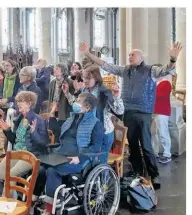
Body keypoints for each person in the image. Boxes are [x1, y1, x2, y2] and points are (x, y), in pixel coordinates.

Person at [78, 41, 183, 189]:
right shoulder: (125, 70)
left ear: (141, 57)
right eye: (129, 54)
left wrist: (172, 59)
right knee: (133, 145)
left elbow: (166, 70)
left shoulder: (150, 70)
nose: (129, 56)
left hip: (143, 112)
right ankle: (138, 172)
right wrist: (88, 53)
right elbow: (105, 65)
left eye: (133, 54)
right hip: (128, 111)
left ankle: (154, 174)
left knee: (146, 145)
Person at [41, 93, 104, 214]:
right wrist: (52, 116)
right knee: (39, 168)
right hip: (62, 153)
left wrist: (79, 157)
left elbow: (96, 148)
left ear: (87, 107)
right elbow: (59, 132)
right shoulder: (72, 118)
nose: (75, 103)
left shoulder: (96, 123)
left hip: (80, 159)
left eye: (79, 101)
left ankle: (50, 209)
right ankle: (34, 200)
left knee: (52, 171)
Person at [64, 66, 124, 163]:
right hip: (89, 130)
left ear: (96, 78)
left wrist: (117, 97)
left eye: (88, 78)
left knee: (100, 162)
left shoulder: (104, 91)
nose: (85, 81)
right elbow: (78, 107)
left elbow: (119, 111)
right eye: (84, 78)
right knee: (89, 161)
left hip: (103, 131)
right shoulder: (85, 90)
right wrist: (67, 93)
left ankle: (103, 177)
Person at [0, 91, 48, 198]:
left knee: (11, 175)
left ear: (29, 104)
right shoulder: (19, 119)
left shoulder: (38, 120)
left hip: (30, 154)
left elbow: (44, 144)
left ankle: (7, 204)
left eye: (21, 101)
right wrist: (7, 130)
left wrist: (34, 133)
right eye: (18, 101)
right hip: (17, 152)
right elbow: (15, 139)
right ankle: (14, 196)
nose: (18, 103)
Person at [154, 75, 172, 164]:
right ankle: (154, 152)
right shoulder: (154, 82)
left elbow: (160, 96)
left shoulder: (166, 83)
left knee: (163, 132)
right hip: (153, 111)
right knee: (154, 133)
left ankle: (167, 154)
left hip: (162, 111)